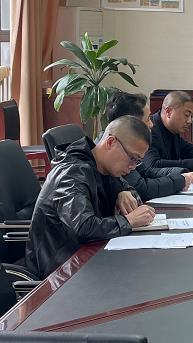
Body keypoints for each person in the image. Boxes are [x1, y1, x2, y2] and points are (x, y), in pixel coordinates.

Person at [24, 115, 156, 278]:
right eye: (132, 158)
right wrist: (128, 221)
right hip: (60, 270)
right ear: (111, 142)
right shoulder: (72, 173)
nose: (133, 167)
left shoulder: (105, 167)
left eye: (137, 161)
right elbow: (83, 227)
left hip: (89, 256)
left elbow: (130, 191)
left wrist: (125, 193)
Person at [105, 92, 193, 200]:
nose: (151, 124)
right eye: (148, 119)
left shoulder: (123, 145)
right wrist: (180, 180)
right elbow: (141, 187)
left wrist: (181, 174)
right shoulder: (117, 150)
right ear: (130, 123)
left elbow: (146, 171)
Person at [146, 90, 193, 172]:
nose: (189, 121)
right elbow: (153, 165)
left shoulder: (172, 129)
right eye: (186, 115)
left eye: (191, 116)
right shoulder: (148, 130)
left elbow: (187, 148)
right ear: (168, 112)